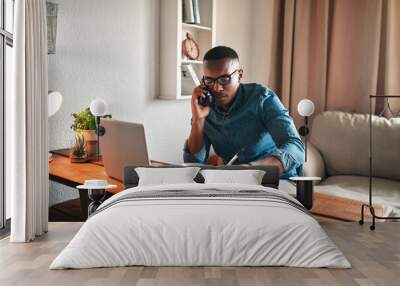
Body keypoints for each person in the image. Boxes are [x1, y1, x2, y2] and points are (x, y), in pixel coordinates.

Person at [183, 46, 304, 178]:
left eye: (224, 79)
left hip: (278, 179)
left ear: (239, 75)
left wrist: (253, 169)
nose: (217, 88)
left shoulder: (262, 98)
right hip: (235, 182)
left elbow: (296, 147)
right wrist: (198, 120)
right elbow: (193, 164)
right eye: (209, 81)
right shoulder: (205, 105)